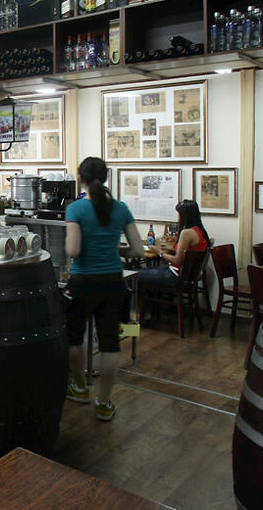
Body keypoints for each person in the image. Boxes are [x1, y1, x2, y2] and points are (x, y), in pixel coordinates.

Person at [64, 157, 144, 421]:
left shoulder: (76, 209)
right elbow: (138, 250)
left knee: (73, 338)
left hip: (83, 282)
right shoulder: (121, 209)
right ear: (107, 177)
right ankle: (105, 403)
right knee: (110, 344)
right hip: (113, 282)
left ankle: (79, 388)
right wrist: (113, 249)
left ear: (80, 178)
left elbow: (74, 250)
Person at [136, 199, 210, 290]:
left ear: (185, 215)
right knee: (144, 271)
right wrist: (172, 249)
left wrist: (159, 252)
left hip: (174, 276)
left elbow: (177, 261)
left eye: (179, 214)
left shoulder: (186, 233)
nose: (178, 217)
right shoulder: (199, 230)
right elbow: (188, 254)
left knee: (133, 274)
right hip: (185, 275)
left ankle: (134, 304)